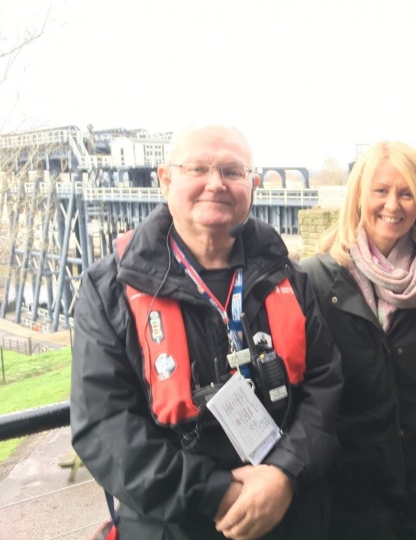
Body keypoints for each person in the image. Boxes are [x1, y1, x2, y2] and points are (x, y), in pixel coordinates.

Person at [71, 125, 343, 540]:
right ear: (165, 179)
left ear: (252, 185)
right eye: (197, 168)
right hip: (174, 524)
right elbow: (103, 424)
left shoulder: (286, 275)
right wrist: (216, 494)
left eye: (232, 172)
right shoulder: (109, 287)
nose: (215, 184)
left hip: (289, 515)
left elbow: (325, 383)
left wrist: (285, 474)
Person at [301, 141, 416, 540]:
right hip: (349, 476)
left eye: (406, 192)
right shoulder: (315, 278)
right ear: (360, 195)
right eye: (381, 191)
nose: (393, 205)